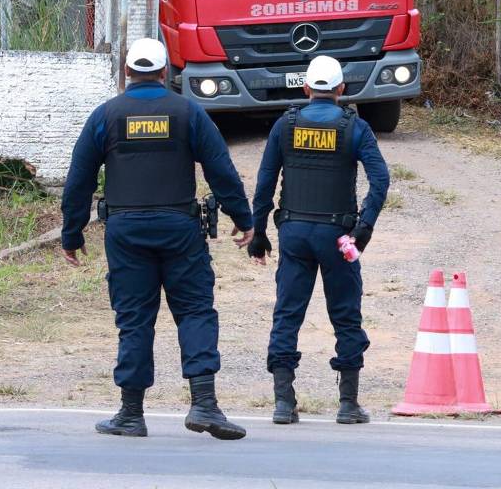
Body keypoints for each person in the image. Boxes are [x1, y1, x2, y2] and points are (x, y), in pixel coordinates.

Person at [60, 38, 254, 441]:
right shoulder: (188, 112)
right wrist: (243, 217)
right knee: (196, 311)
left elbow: (78, 178)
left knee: (134, 319)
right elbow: (220, 168)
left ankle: (131, 414)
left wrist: (72, 232)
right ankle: (204, 404)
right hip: (181, 231)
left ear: (126, 73)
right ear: (166, 73)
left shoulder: (106, 116)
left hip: (126, 233)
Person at [248, 55, 390, 425]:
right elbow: (381, 181)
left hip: (294, 233)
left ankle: (283, 403)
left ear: (307, 88)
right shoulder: (355, 128)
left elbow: (265, 182)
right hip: (338, 235)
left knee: (287, 314)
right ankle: (347, 404)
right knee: (345, 315)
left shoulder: (285, 124)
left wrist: (259, 231)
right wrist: (364, 228)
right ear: (342, 90)